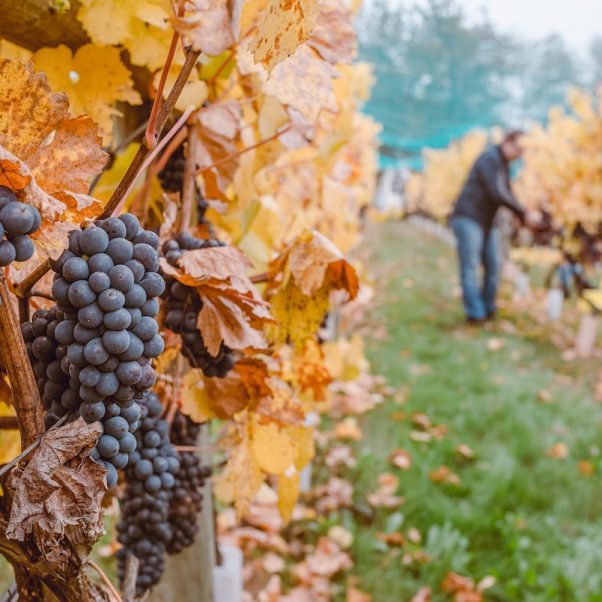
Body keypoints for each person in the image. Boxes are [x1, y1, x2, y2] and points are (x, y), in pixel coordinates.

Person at [450, 130, 532, 324]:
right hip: (469, 217)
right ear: (508, 142)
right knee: (470, 266)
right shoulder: (490, 158)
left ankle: (488, 309)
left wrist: (522, 214)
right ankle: (475, 314)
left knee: (493, 266)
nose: (520, 154)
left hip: (487, 221)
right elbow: (497, 192)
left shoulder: (504, 165)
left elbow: (508, 193)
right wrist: (522, 212)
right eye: (519, 149)